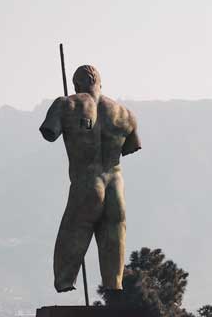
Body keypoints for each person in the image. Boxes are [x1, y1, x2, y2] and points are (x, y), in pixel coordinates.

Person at [39, 65, 141, 292]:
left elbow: (50, 132)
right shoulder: (125, 114)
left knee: (73, 229)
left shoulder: (66, 104)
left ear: (76, 85)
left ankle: (65, 281)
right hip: (116, 186)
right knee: (115, 233)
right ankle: (114, 284)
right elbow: (131, 147)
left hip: (87, 184)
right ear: (100, 84)